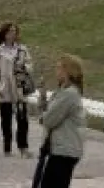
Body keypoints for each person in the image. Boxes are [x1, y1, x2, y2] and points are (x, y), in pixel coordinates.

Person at [32, 55, 85, 188]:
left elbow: (49, 120)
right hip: (56, 149)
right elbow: (46, 114)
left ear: (67, 71)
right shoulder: (62, 92)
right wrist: (42, 95)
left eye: (59, 68)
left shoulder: (69, 94)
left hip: (63, 151)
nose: (56, 71)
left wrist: (44, 117)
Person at [0, 22, 34, 158]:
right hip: (5, 88)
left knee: (22, 118)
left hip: (19, 87)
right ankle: (7, 146)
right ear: (4, 34)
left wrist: (24, 68)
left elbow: (30, 64)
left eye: (14, 31)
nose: (12, 34)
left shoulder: (22, 49)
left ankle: (23, 147)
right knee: (6, 118)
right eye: (10, 31)